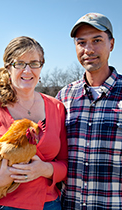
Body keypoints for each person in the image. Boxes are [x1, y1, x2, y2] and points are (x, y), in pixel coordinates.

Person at [0, 36, 68, 210]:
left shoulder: (56, 107)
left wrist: (45, 169)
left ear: (41, 67)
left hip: (48, 204)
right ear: (8, 67)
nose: (27, 71)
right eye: (19, 63)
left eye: (34, 63)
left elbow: (65, 163)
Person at [56, 12, 122, 209]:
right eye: (81, 42)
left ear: (111, 44)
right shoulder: (64, 97)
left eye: (97, 40)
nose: (88, 49)